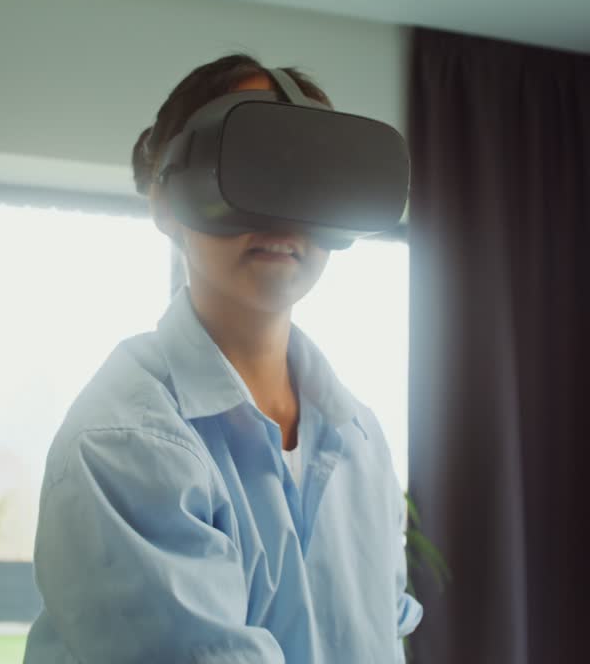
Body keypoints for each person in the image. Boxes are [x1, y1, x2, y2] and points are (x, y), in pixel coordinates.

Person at [24, 54, 422, 663]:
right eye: (252, 169)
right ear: (167, 203)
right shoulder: (126, 444)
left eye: (311, 179)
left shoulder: (361, 442)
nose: (284, 213)